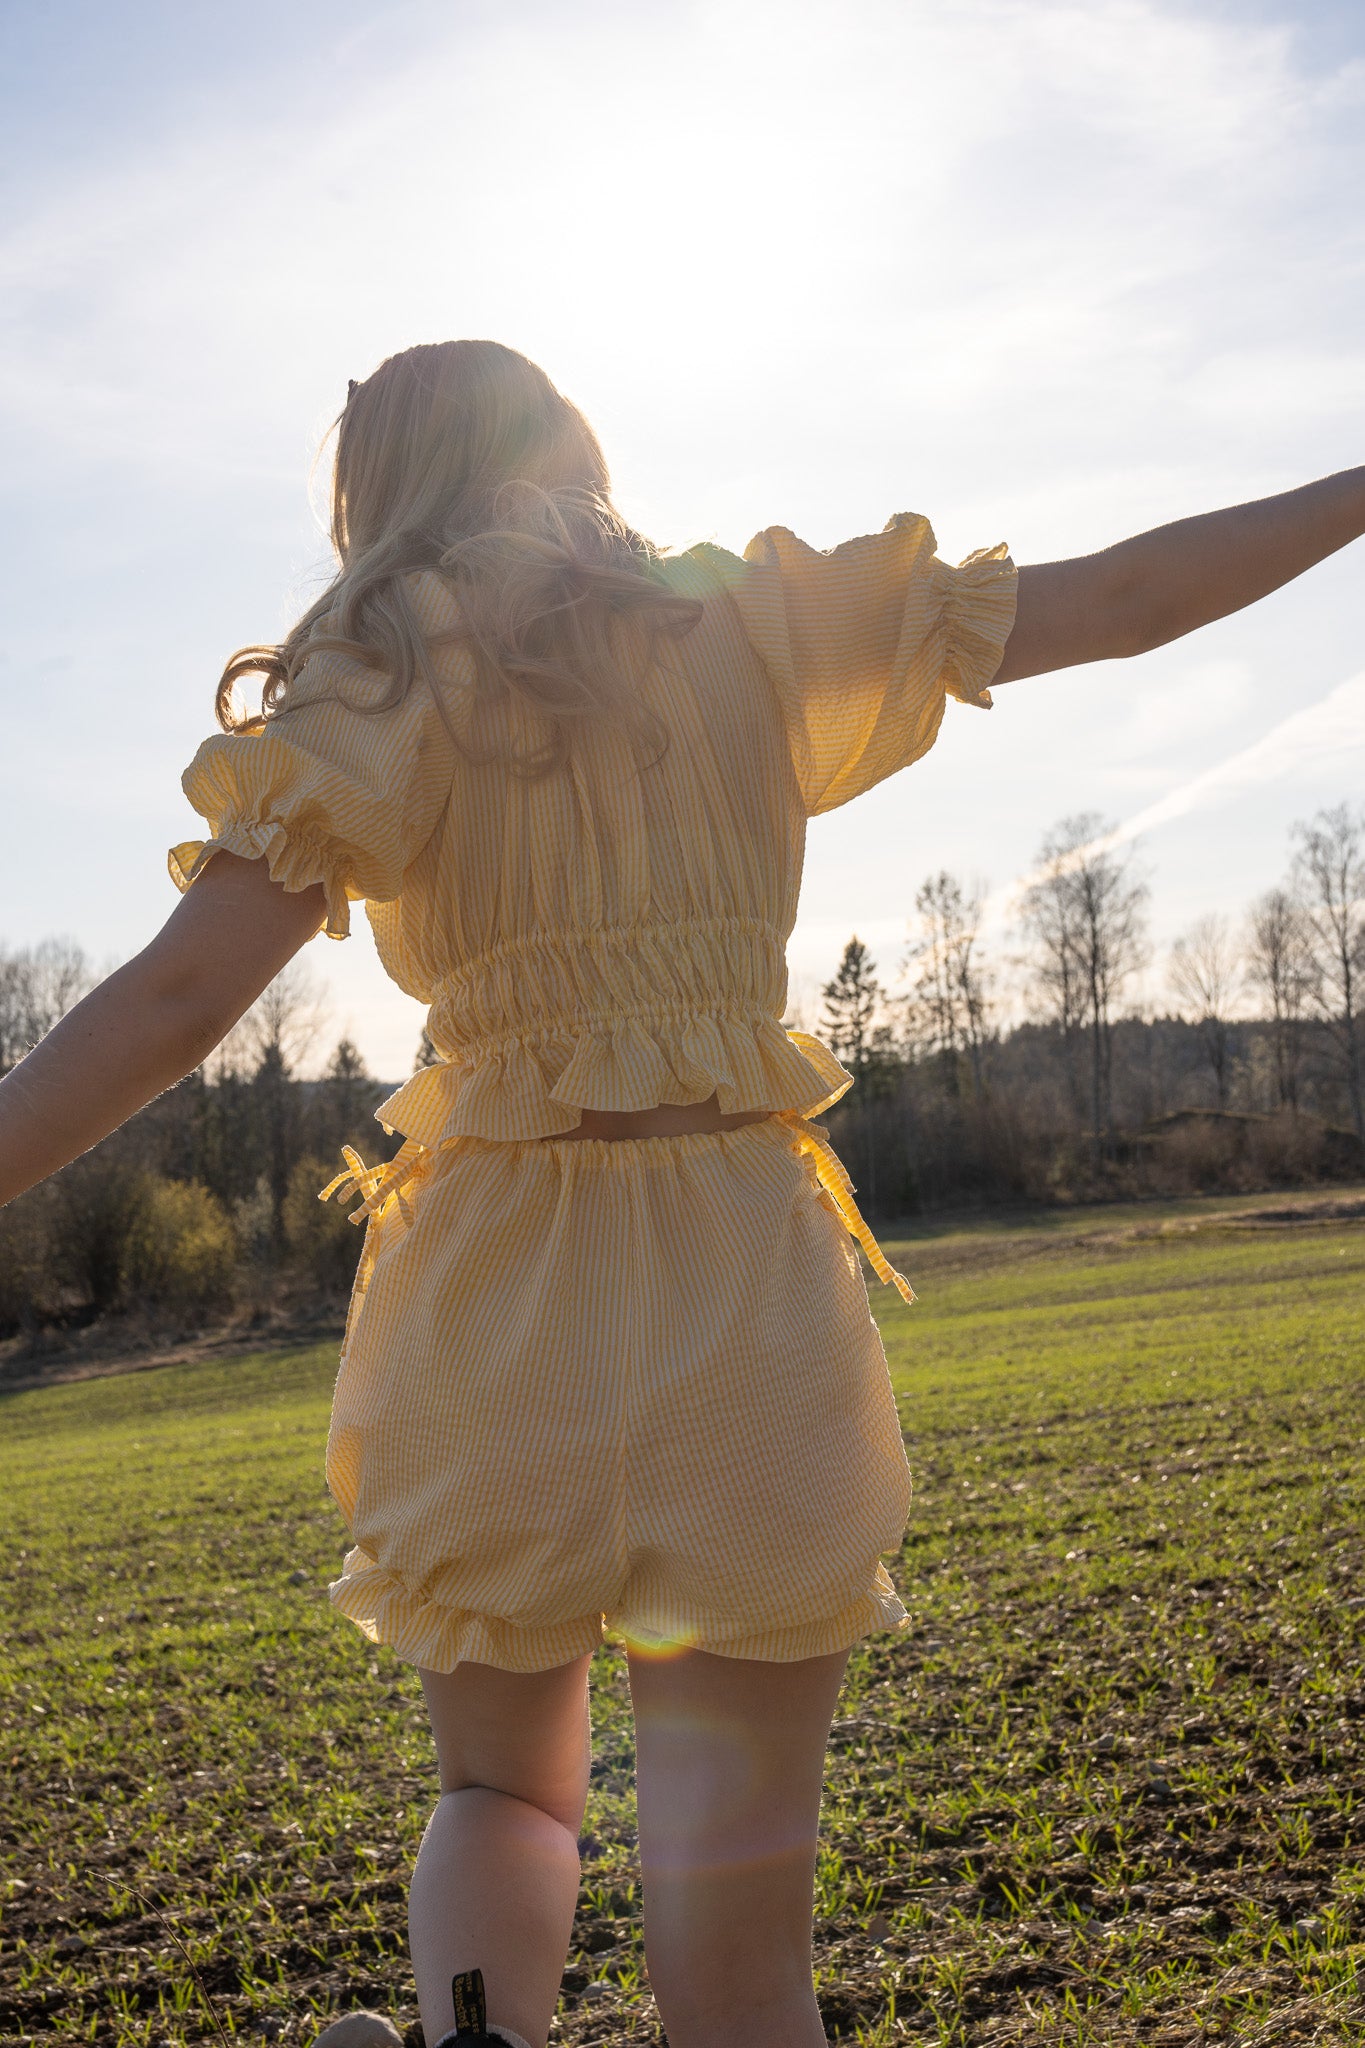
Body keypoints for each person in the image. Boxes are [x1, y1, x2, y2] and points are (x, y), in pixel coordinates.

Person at [0, 339, 1359, 2048]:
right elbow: (1132, 594)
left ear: (373, 494)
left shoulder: (378, 670)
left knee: (509, 1800)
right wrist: (1353, 488)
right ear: (576, 443)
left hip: (497, 1300)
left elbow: (177, 1005)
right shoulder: (756, 620)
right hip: (742, 1290)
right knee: (736, 1947)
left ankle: (476, 2037)